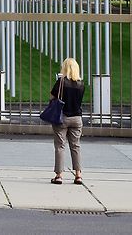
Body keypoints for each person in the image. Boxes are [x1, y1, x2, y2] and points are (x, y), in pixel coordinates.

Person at [50, 57, 85, 185]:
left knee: (60, 146)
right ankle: (78, 175)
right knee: (75, 146)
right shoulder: (81, 84)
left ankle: (59, 175)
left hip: (62, 117)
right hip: (77, 118)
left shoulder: (61, 82)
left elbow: (52, 96)